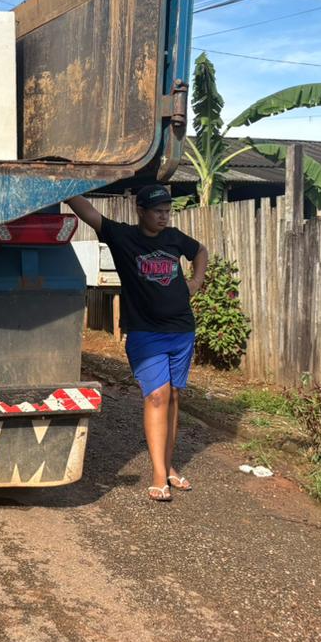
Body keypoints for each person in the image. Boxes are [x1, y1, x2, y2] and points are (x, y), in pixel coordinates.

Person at [68, 185, 208, 502]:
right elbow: (89, 214)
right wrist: (67, 189)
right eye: (157, 211)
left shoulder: (174, 238)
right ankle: (160, 476)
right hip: (146, 332)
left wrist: (195, 282)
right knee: (157, 396)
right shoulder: (123, 237)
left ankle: (168, 466)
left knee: (172, 396)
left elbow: (200, 251)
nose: (163, 216)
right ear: (140, 211)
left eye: (167, 211)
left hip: (182, 331)